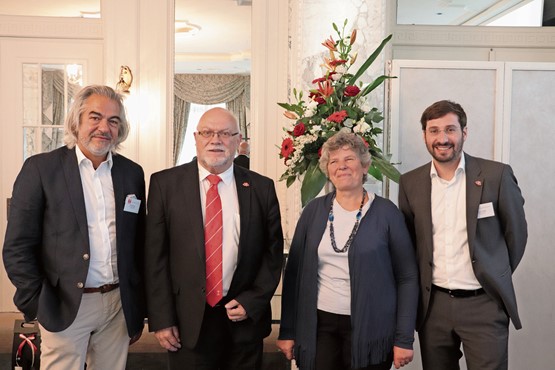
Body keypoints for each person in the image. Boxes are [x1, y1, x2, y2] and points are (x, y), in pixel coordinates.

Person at [2, 85, 146, 370]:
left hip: (118, 303)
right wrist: (38, 303)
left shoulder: (132, 173)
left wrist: (137, 304)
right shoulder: (41, 169)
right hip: (65, 302)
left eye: (113, 121)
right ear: (77, 120)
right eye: (95, 117)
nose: (104, 127)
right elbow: (17, 247)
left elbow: (139, 242)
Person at [144, 107, 283, 369]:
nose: (215, 140)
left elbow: (272, 253)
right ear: (196, 137)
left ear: (238, 140)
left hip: (243, 320)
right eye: (207, 132)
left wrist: (252, 300)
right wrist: (161, 318)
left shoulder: (261, 188)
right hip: (186, 322)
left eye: (225, 133)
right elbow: (155, 258)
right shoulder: (165, 184)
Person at [398, 100, 527, 370]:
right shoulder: (410, 183)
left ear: (464, 133)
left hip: (484, 304)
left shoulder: (496, 175)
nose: (442, 139)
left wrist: (494, 271)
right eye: (433, 131)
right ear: (424, 135)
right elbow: (410, 244)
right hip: (433, 307)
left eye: (450, 130)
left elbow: (516, 236)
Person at [277, 132, 419, 370]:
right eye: (334, 161)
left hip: (372, 326)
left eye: (349, 159)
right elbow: (293, 275)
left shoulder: (387, 213)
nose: (341, 166)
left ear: (365, 166)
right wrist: (287, 330)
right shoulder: (313, 211)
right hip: (319, 326)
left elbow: (407, 277)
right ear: (327, 170)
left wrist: (404, 337)